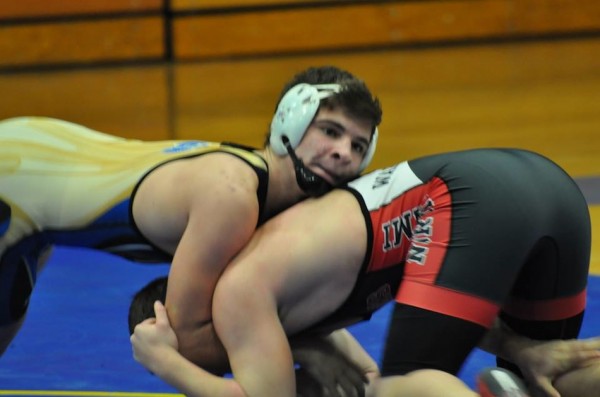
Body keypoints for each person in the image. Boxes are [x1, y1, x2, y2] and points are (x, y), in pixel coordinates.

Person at [0, 64, 383, 371]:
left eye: (357, 146)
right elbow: (185, 338)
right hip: (13, 173)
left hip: (36, 166)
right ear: (289, 121)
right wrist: (310, 350)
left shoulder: (274, 200)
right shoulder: (232, 197)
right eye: (330, 132)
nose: (342, 153)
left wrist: (369, 377)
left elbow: (278, 307)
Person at [130, 148, 600, 397]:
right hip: (547, 191)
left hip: (466, 199)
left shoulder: (238, 293)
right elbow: (442, 302)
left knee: (405, 386)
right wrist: (519, 347)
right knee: (544, 372)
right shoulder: (289, 304)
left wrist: (165, 363)